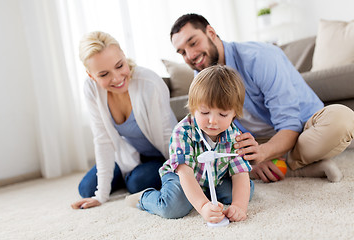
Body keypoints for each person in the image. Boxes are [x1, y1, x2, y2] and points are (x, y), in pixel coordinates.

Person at [169, 13, 354, 183]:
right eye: (182, 52)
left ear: (211, 32)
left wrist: (262, 153)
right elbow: (216, 134)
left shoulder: (259, 57)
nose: (190, 56)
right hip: (258, 142)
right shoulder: (201, 76)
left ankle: (285, 164)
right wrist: (251, 156)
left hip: (301, 131)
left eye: (193, 43)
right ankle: (297, 166)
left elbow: (289, 124)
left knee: (342, 120)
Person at [126, 65, 254, 223]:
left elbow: (240, 174)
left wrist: (239, 207)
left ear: (235, 114)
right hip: (181, 177)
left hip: (214, 179)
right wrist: (203, 207)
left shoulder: (235, 136)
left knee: (246, 189)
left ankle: (202, 195)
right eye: (205, 112)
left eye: (222, 114)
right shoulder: (183, 132)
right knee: (173, 207)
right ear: (193, 109)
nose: (213, 121)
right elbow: (185, 174)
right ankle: (144, 198)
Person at [71, 31, 177, 209]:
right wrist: (101, 195)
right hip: (128, 154)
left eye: (120, 66)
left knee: (137, 183)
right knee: (87, 189)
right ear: (91, 76)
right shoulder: (91, 89)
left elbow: (168, 136)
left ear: (124, 57)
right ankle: (128, 174)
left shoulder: (149, 83)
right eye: (104, 74)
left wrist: (183, 176)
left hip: (160, 155)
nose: (117, 78)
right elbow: (102, 139)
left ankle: (132, 177)